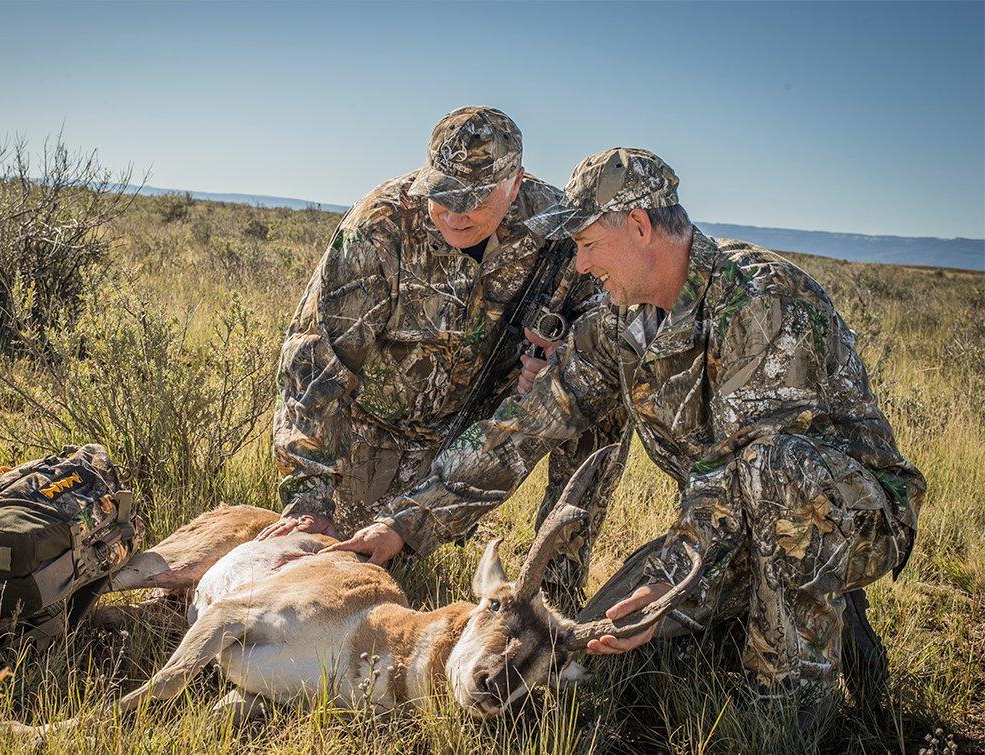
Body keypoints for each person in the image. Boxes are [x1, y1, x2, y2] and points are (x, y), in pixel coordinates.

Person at [327, 146, 924, 710]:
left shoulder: (760, 301)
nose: (581, 264)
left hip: (848, 512)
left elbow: (742, 462)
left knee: (772, 477)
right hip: (729, 521)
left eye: (587, 244)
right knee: (604, 639)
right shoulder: (619, 323)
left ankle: (787, 701)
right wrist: (404, 522)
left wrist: (676, 576)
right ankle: (770, 614)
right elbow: (524, 426)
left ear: (639, 226)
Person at [263, 107, 627, 601]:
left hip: (492, 428)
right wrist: (309, 500)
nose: (453, 214)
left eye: (472, 200)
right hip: (381, 432)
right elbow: (314, 363)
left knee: (604, 398)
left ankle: (553, 588)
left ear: (514, 184)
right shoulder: (380, 226)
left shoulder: (560, 233)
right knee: (348, 570)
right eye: (442, 195)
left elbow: (604, 332)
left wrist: (558, 364)